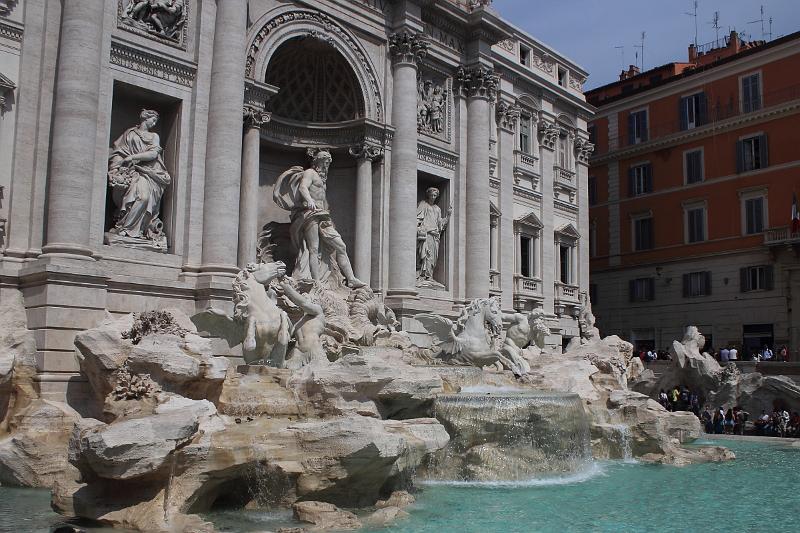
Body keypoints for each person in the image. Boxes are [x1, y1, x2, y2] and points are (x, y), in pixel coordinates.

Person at [273, 150, 366, 289]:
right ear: (317, 161)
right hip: (311, 214)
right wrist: (309, 200)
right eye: (324, 162)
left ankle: (351, 279)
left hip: (322, 215)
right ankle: (316, 282)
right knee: (314, 249)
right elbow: (303, 187)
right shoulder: (310, 173)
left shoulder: (322, 180)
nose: (326, 166)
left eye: (328, 163)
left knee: (341, 246)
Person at [107, 109, 172, 249]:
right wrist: (117, 167)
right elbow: (119, 152)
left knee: (143, 197)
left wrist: (133, 157)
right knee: (136, 198)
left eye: (156, 121)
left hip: (148, 172)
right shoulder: (129, 134)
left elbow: (153, 154)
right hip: (131, 171)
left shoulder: (154, 136)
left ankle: (132, 230)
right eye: (152, 119)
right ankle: (125, 228)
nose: (154, 123)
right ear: (145, 118)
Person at [416, 187, 452, 286]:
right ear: (428, 195)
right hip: (427, 234)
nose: (433, 197)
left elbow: (440, 224)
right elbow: (417, 218)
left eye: (435, 195)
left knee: (433, 258)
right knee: (426, 255)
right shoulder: (423, 204)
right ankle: (424, 275)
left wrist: (448, 215)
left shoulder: (437, 208)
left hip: (435, 236)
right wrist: (421, 229)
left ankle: (430, 276)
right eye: (431, 195)